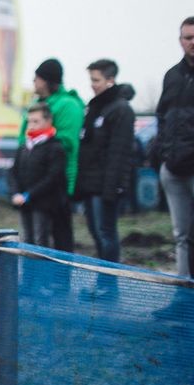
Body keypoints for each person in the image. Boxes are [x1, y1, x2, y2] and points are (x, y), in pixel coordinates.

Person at [152, 16, 194, 278]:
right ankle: (184, 297)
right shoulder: (172, 76)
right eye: (189, 38)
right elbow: (162, 117)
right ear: (180, 41)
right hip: (173, 169)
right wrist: (161, 155)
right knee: (182, 236)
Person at [18, 58, 85, 253]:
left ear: (47, 80)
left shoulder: (68, 105)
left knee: (59, 234)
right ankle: (35, 280)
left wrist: (39, 141)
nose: (34, 82)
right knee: (32, 236)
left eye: (37, 78)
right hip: (32, 183)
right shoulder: (36, 104)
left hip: (58, 181)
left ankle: (60, 281)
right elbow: (23, 138)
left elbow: (68, 141)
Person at [75, 59, 136, 265]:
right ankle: (103, 279)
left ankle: (109, 284)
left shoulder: (121, 110)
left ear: (110, 80)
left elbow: (118, 153)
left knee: (106, 233)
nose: (93, 84)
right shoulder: (94, 107)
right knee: (95, 232)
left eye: (96, 80)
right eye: (91, 80)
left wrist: (112, 188)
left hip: (105, 185)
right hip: (90, 183)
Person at [8, 104, 67, 247]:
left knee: (41, 240)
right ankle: (29, 269)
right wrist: (16, 193)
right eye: (29, 121)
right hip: (24, 202)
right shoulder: (24, 146)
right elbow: (13, 171)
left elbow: (53, 177)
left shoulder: (55, 147)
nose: (31, 125)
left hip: (43, 203)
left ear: (48, 121)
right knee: (27, 239)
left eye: (36, 121)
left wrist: (29, 194)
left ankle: (41, 269)